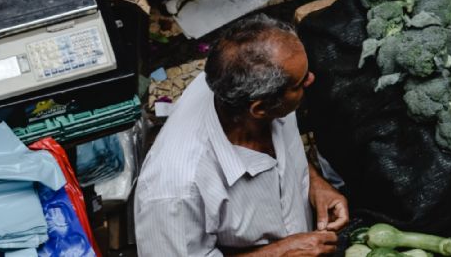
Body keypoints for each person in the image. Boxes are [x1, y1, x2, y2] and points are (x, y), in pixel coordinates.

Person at [134, 14, 349, 256]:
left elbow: (284, 149)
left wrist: (314, 185)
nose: (311, 79)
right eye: (299, 83)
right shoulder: (175, 191)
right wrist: (279, 253)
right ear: (259, 109)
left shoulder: (251, 86)